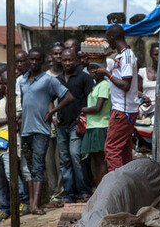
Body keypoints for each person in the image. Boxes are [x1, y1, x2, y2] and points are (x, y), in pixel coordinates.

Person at [17, 50, 75, 215]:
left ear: (42, 61)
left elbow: (68, 97)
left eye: (37, 59)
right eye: (31, 59)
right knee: (29, 167)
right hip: (25, 129)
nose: (34, 62)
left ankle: (35, 205)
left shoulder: (49, 80)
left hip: (41, 130)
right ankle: (33, 203)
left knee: (38, 166)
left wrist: (52, 112)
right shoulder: (22, 81)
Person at [95, 24, 139, 172]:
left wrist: (107, 74)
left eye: (108, 39)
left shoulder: (126, 56)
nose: (108, 43)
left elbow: (125, 85)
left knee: (111, 149)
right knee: (124, 152)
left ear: (113, 38)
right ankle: (126, 184)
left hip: (123, 111)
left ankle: (116, 186)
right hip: (124, 109)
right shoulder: (120, 56)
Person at [56, 48, 94, 202]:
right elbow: (49, 99)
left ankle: (84, 191)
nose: (67, 63)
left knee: (76, 156)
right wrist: (52, 116)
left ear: (76, 60)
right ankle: (69, 194)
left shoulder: (84, 78)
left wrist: (83, 119)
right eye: (64, 60)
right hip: (61, 125)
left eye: (70, 60)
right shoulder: (57, 79)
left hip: (76, 126)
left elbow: (90, 99)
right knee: (64, 161)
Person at [80, 61, 112, 186]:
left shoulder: (104, 85)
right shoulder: (96, 85)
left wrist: (84, 110)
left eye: (96, 68)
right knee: (95, 160)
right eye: (90, 69)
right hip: (93, 125)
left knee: (101, 161)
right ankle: (99, 188)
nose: (93, 72)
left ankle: (101, 189)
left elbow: (98, 108)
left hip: (100, 125)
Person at [43, 42, 65, 208]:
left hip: (66, 124)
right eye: (55, 54)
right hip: (48, 124)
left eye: (60, 54)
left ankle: (65, 193)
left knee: (63, 161)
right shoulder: (45, 77)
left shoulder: (68, 74)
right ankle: (55, 196)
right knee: (50, 162)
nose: (58, 57)